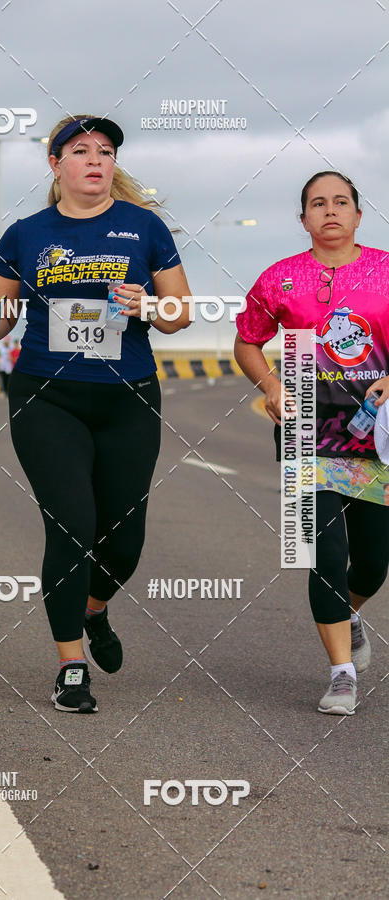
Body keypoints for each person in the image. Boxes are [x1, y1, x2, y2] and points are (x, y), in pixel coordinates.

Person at [0, 114, 192, 713]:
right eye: (81, 151)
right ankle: (70, 666)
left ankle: (93, 610)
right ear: (56, 165)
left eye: (105, 152)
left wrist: (148, 305)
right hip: (49, 395)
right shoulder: (25, 234)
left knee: (122, 539)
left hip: (128, 397)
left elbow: (181, 312)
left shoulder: (144, 228)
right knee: (70, 522)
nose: (96, 160)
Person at [234, 171, 389, 716]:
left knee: (373, 561)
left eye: (341, 202)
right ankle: (341, 673)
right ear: (303, 219)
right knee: (325, 553)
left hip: (379, 437)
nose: (330, 211)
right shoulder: (281, 278)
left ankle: (350, 612)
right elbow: (247, 341)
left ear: (358, 214)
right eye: (317, 204)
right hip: (307, 432)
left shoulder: (386, 270)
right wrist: (273, 386)